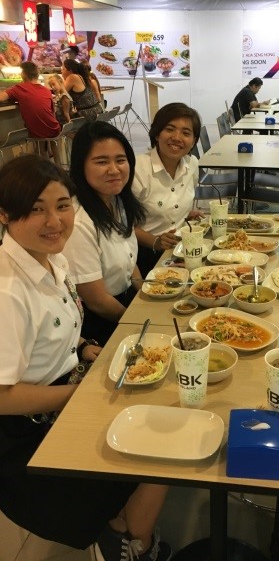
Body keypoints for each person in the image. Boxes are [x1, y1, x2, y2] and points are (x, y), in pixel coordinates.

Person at [0, 155, 171, 561]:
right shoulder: (7, 291)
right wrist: (78, 394)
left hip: (66, 389)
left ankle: (122, 525)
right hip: (26, 435)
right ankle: (129, 544)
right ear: (5, 215)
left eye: (62, 206)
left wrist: (81, 347)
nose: (54, 221)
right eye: (36, 209)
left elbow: (49, 330)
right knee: (160, 450)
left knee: (164, 406)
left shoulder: (51, 258)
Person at [62, 122, 146, 346]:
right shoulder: (79, 222)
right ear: (80, 166)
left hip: (127, 302)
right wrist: (137, 322)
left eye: (120, 160)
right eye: (101, 162)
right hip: (102, 322)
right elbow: (97, 300)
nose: (114, 170)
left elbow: (129, 262)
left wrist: (147, 293)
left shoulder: (116, 200)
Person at [132, 102, 204, 277]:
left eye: (186, 133)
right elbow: (123, 226)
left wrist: (184, 215)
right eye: (170, 129)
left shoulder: (192, 164)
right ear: (157, 134)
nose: (177, 138)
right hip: (147, 255)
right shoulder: (137, 169)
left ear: (194, 141)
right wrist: (156, 242)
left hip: (181, 247)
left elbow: (171, 203)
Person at [0, 61, 60, 139]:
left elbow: (1, 98)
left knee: (37, 135)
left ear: (23, 74)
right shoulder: (46, 90)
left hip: (40, 133)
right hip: (55, 129)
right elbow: (52, 113)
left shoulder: (19, 88)